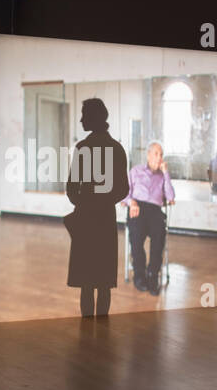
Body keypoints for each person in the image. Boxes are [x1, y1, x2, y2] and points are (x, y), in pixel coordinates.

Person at [66, 98, 130, 317]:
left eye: (84, 115)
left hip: (85, 217)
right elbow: (122, 189)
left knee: (86, 281)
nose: (82, 119)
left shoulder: (83, 148)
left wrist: (85, 202)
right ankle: (102, 334)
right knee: (103, 281)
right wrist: (102, 201)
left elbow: (72, 188)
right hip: (104, 218)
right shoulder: (117, 148)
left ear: (93, 118)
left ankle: (87, 333)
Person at [123, 141, 175, 295]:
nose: (159, 158)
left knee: (159, 234)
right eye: (156, 154)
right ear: (148, 155)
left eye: (161, 155)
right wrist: (131, 202)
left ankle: (153, 274)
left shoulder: (162, 176)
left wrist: (166, 173)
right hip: (137, 207)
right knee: (136, 235)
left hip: (155, 210)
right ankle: (139, 274)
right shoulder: (135, 171)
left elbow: (171, 196)